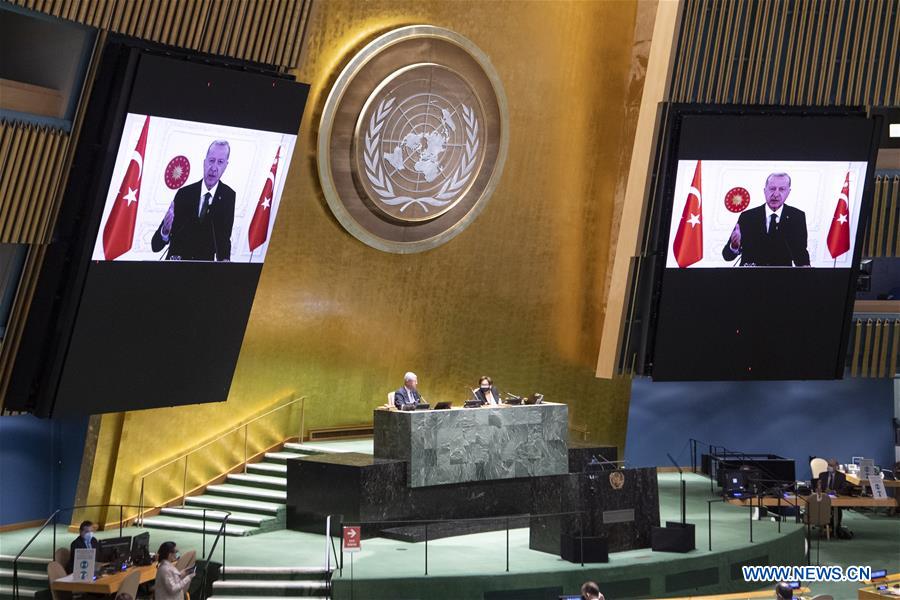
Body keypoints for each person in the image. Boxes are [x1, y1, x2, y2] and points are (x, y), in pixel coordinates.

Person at [151, 140, 236, 261]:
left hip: (204, 272)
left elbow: (224, 239)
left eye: (220, 162)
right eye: (211, 160)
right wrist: (165, 231)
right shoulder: (184, 193)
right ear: (204, 162)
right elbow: (155, 246)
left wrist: (225, 262)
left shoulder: (228, 196)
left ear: (226, 166)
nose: (214, 168)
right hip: (175, 268)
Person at [721, 172, 810, 266]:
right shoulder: (748, 217)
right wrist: (734, 247)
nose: (776, 194)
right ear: (765, 190)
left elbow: (801, 255)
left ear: (788, 192)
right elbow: (727, 256)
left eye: (782, 189)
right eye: (772, 188)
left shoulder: (796, 217)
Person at [816, 457, 849, 535]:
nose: (829, 466)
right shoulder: (822, 475)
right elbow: (818, 488)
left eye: (831, 465)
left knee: (837, 508)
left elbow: (844, 489)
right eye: (828, 464)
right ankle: (823, 524)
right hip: (824, 498)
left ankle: (836, 526)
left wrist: (833, 492)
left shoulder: (841, 476)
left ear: (836, 466)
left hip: (835, 498)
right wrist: (819, 488)